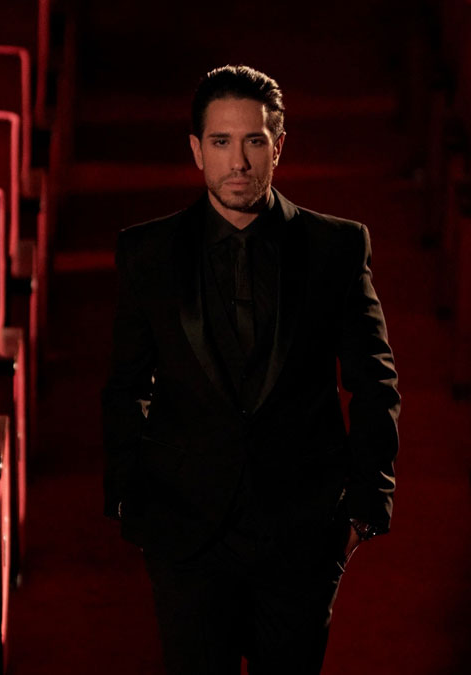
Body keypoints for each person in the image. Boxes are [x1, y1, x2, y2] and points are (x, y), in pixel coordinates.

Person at [101, 64, 400, 675]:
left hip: (303, 533)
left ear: (278, 145)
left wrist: (366, 506)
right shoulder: (147, 252)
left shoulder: (338, 247)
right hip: (184, 533)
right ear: (196, 150)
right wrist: (131, 500)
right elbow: (126, 385)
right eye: (221, 141)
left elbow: (374, 381)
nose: (237, 161)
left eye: (253, 141)